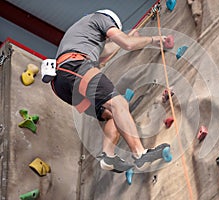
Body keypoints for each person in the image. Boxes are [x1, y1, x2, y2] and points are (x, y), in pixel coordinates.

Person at [50, 9, 169, 173]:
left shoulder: (83, 35)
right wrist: (153, 39)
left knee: (112, 115)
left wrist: (131, 40)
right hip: (74, 67)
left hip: (62, 86)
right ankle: (140, 154)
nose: (107, 39)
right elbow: (126, 43)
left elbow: (105, 53)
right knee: (118, 103)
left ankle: (108, 157)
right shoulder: (101, 18)